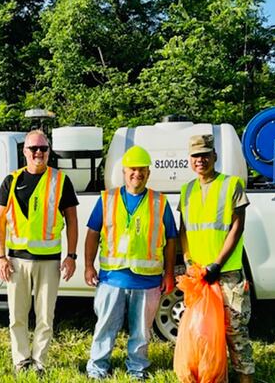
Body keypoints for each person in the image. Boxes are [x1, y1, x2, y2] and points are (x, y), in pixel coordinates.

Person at [84, 145, 177, 380]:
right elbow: (92, 233)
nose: (138, 174)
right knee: (105, 326)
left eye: (142, 170)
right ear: (124, 172)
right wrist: (88, 265)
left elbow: (171, 239)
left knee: (142, 332)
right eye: (133, 170)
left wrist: (168, 274)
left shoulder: (160, 202)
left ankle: (137, 368)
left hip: (147, 281)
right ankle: (97, 367)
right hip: (112, 277)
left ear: (148, 173)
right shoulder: (107, 199)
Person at [0, 130, 79, 374]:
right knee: (17, 317)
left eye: (44, 148)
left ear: (49, 151)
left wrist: (71, 256)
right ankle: (21, 361)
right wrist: (0, 256)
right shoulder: (11, 180)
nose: (39, 152)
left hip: (49, 262)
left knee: (45, 318)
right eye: (34, 148)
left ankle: (40, 362)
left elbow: (72, 220)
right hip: (16, 261)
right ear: (24, 151)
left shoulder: (61, 180)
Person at [178, 134, 254, 383]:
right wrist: (189, 261)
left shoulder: (232, 185)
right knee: (202, 331)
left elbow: (237, 227)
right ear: (189, 159)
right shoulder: (186, 190)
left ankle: (244, 377)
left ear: (215, 156)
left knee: (235, 330)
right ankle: (209, 376)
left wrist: (217, 263)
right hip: (200, 275)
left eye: (205, 154)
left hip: (227, 273)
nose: (200, 160)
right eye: (195, 155)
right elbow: (184, 230)